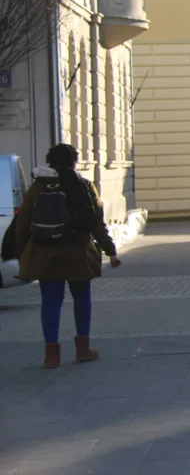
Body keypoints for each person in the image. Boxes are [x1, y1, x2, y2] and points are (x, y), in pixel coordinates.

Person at [14, 144, 121, 368]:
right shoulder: (84, 186)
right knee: (82, 299)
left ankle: (51, 355)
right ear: (74, 161)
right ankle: (83, 349)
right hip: (78, 253)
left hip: (45, 254)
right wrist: (110, 251)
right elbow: (96, 223)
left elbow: (22, 223)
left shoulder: (38, 187)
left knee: (50, 302)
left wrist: (21, 252)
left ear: (50, 161)